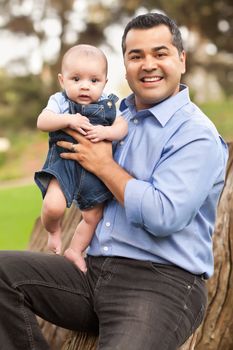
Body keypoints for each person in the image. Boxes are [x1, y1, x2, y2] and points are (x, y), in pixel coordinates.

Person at [0, 12, 229, 350]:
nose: (148, 64)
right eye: (136, 56)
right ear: (125, 65)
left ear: (181, 60)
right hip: (92, 272)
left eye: (160, 53)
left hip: (160, 285)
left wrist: (104, 166)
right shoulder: (112, 115)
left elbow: (163, 216)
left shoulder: (196, 135)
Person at [34, 44, 128, 272]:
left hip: (95, 173)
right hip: (64, 166)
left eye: (93, 80)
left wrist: (106, 132)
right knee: (53, 207)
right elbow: (42, 122)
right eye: (76, 79)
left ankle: (75, 250)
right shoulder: (60, 102)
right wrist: (67, 120)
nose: (85, 86)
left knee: (93, 216)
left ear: (105, 82)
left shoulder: (108, 104)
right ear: (62, 80)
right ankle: (53, 231)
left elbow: (122, 127)